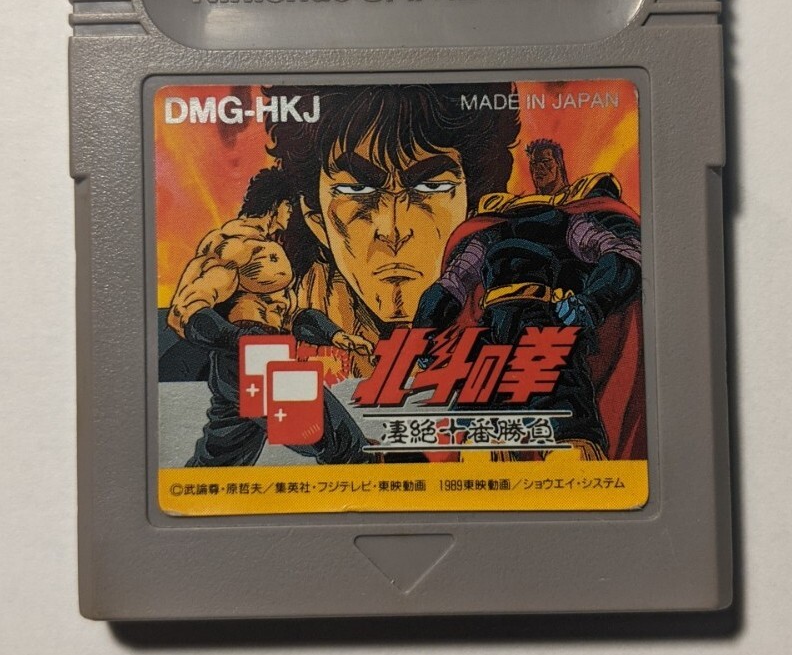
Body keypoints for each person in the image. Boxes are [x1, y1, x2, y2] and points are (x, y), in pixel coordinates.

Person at [164, 83, 521, 463]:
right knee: (323, 433)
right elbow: (187, 311)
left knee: (222, 452)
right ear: (315, 218)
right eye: (356, 189)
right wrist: (239, 339)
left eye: (431, 186)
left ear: (471, 209)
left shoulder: (505, 305)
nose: (393, 229)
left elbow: (298, 319)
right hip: (248, 359)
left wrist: (336, 336)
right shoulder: (239, 253)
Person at [414, 139, 645, 459]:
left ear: (560, 164)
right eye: (534, 163)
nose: (539, 170)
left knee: (566, 427)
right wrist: (425, 331)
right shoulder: (496, 222)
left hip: (545, 320)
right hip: (493, 323)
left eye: (546, 162)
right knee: (478, 426)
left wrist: (591, 303)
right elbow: (453, 282)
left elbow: (620, 254)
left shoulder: (572, 216)